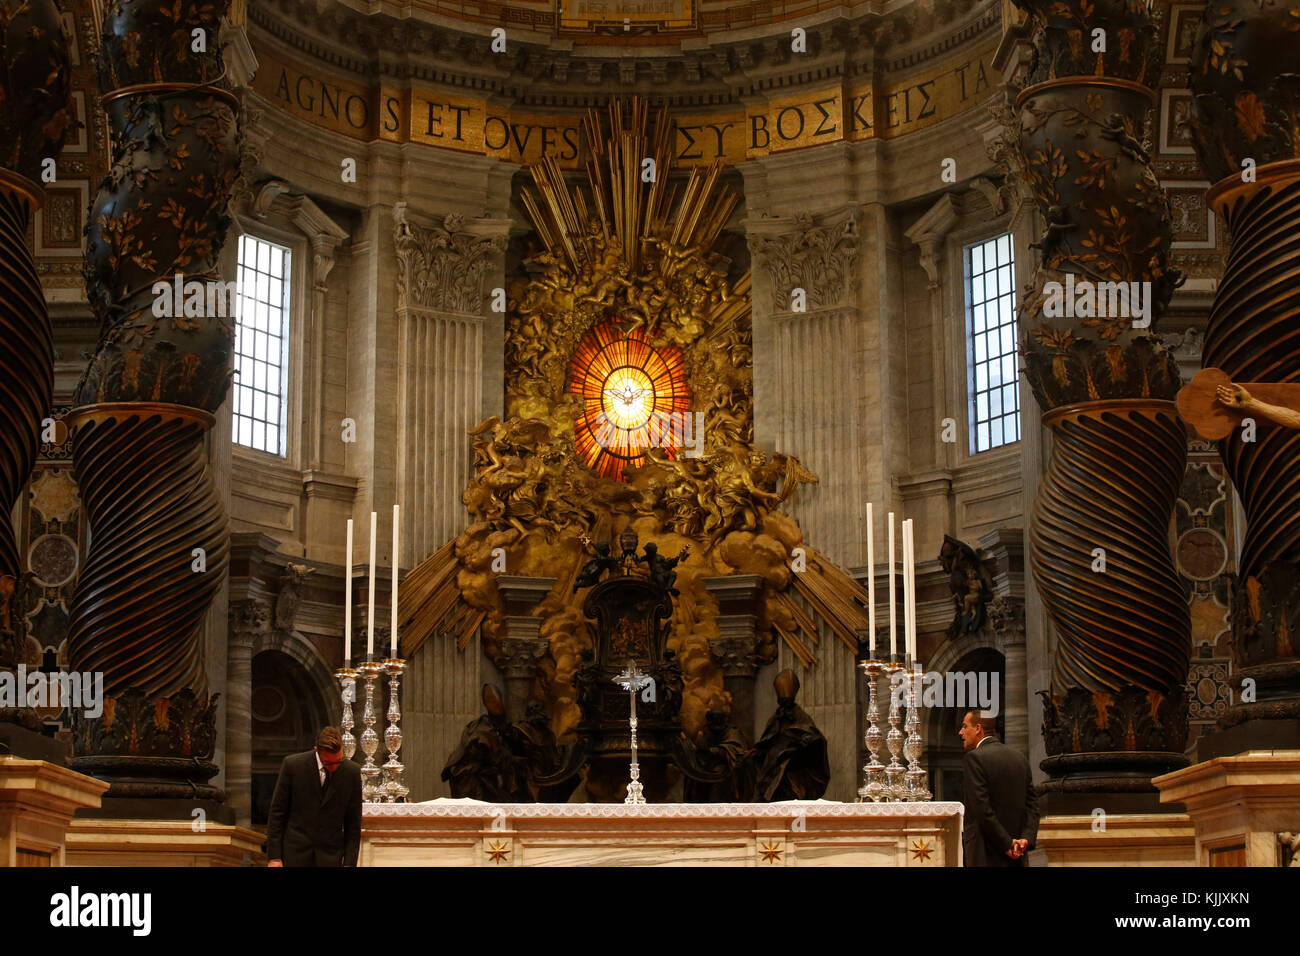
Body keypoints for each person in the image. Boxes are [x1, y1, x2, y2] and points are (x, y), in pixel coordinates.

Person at [266, 726, 363, 867]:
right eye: (329, 763)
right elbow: (277, 813)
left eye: (338, 761)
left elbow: (353, 824)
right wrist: (274, 857)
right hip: (295, 854)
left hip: (330, 856)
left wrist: (349, 863)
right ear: (317, 750)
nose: (335, 767)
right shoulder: (293, 766)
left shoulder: (351, 772)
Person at [959, 710, 1038, 867]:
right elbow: (1033, 806)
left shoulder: (974, 758)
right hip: (1018, 853)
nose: (961, 732)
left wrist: (1006, 844)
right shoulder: (1019, 758)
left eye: (965, 726)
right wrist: (1025, 840)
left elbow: (982, 809)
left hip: (986, 852)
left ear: (978, 728)